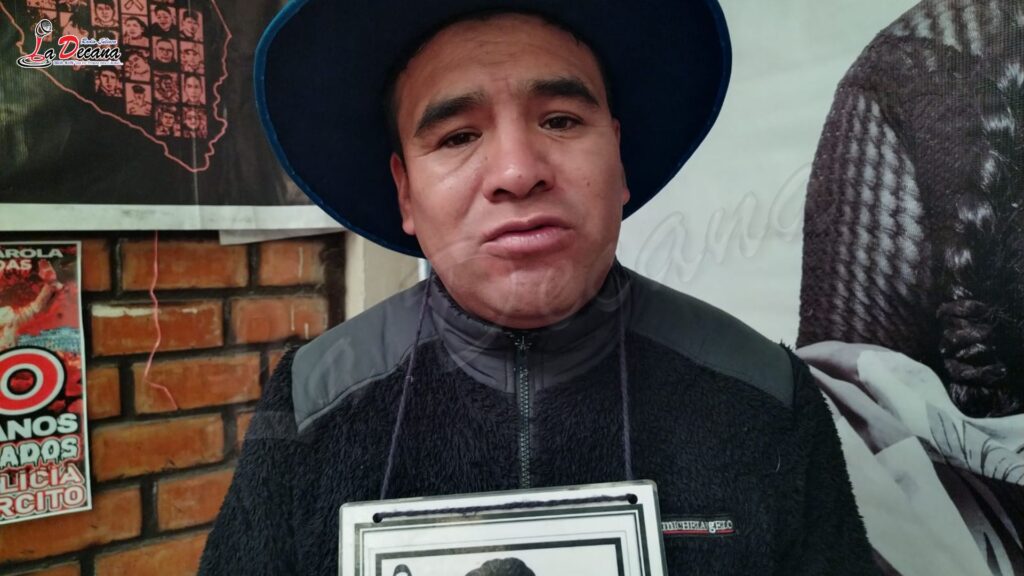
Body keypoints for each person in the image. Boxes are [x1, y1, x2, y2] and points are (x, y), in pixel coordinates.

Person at [201, 2, 877, 574]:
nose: (518, 172)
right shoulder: (314, 401)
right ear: (406, 191)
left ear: (618, 159)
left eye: (560, 120)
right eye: (458, 136)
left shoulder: (763, 394)